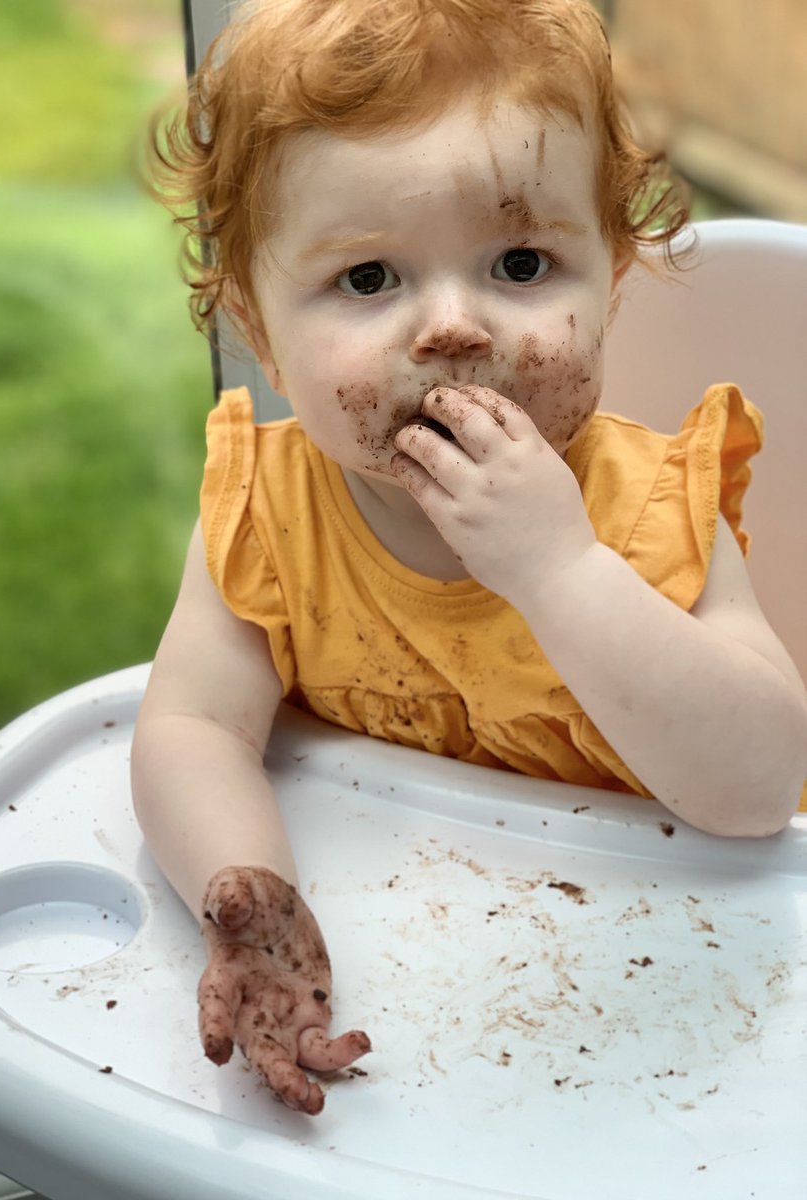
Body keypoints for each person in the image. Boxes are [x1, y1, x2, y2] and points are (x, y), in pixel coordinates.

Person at [132, 0, 807, 1116]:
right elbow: (191, 730)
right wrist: (247, 894)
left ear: (613, 280)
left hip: (676, 1038)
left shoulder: (650, 515)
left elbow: (754, 786)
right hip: (421, 1051)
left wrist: (560, 569)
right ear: (256, 323)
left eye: (522, 261)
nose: (453, 327)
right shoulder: (269, 516)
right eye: (367, 280)